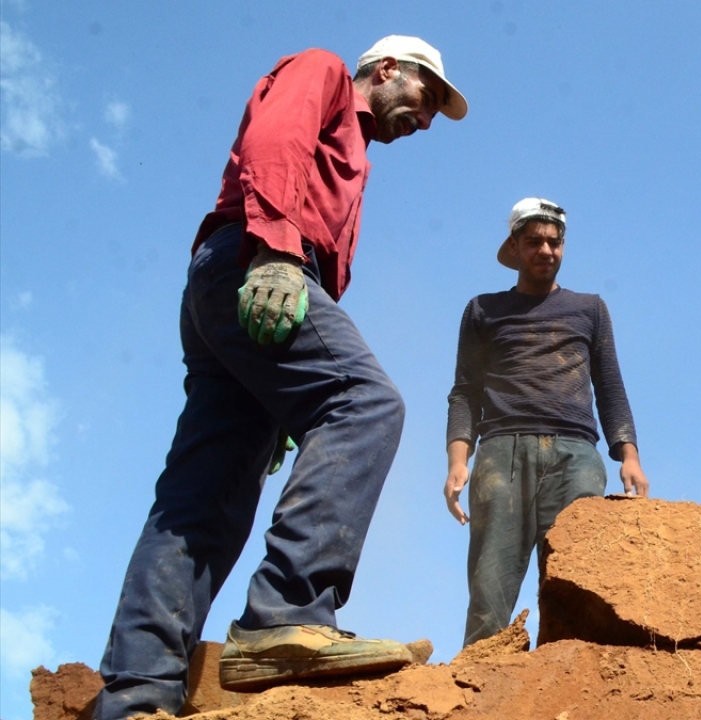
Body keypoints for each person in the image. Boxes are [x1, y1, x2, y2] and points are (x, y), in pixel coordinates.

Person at [93, 35, 468, 720]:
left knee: (205, 494)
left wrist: (282, 387)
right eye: (427, 96)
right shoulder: (325, 72)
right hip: (255, 258)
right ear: (387, 69)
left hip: (238, 286)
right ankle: (284, 614)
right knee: (365, 402)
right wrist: (275, 253)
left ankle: (136, 694)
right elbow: (275, 140)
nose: (426, 119)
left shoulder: (358, 160)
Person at [443, 197, 650, 646]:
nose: (546, 250)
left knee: (576, 582)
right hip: (502, 452)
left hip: (576, 456)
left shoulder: (590, 309)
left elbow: (610, 386)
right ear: (515, 247)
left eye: (554, 242)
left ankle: (567, 681)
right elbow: (465, 392)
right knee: (489, 590)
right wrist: (458, 461)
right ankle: (482, 680)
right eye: (534, 241)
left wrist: (629, 457)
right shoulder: (483, 310)